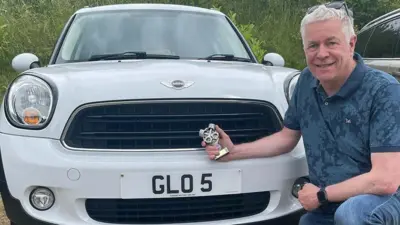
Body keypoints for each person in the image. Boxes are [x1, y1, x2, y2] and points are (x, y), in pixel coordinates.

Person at [202, 1, 400, 225]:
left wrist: (321, 194)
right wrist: (234, 151)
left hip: (379, 201)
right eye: (313, 45)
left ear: (351, 43)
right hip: (328, 203)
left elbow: (386, 180)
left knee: (352, 214)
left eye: (331, 43)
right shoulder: (306, 81)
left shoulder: (383, 91)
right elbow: (286, 138)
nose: (321, 54)